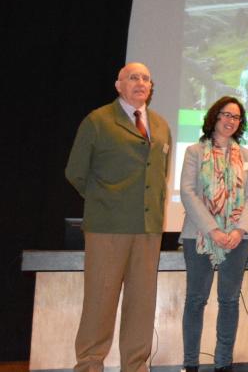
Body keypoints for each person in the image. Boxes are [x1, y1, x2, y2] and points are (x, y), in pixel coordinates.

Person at [65, 62, 173, 372]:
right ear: (119, 85)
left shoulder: (161, 125)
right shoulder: (98, 121)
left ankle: (136, 366)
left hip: (148, 229)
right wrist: (105, 200)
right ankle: (89, 364)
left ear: (151, 88)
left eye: (146, 78)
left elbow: (160, 176)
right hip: (107, 227)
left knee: (141, 304)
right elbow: (75, 172)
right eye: (133, 77)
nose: (141, 82)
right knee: (100, 301)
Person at [179, 97, 248, 371]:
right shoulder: (194, 151)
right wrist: (213, 230)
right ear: (214, 117)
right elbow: (188, 192)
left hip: (238, 238)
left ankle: (223, 363)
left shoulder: (246, 156)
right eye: (225, 115)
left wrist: (239, 229)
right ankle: (190, 364)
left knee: (229, 300)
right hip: (199, 236)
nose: (230, 121)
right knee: (196, 299)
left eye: (236, 117)